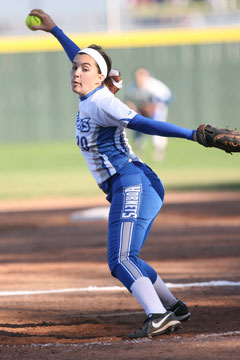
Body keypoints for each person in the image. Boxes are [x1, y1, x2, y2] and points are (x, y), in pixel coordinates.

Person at [28, 9, 194, 339]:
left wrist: (192, 134)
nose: (75, 71)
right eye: (74, 67)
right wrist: (55, 30)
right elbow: (84, 58)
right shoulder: (92, 95)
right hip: (135, 184)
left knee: (120, 260)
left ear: (99, 76)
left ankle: (158, 315)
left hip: (131, 182)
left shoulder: (103, 101)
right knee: (130, 257)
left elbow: (145, 123)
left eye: (83, 68)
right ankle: (174, 306)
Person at [125, 67, 172, 160]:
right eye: (137, 77)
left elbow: (168, 98)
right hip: (141, 108)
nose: (139, 79)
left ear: (147, 77)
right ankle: (138, 150)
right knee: (138, 127)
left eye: (142, 77)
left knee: (157, 127)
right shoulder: (132, 87)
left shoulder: (154, 85)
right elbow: (127, 100)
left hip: (157, 108)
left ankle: (159, 150)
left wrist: (152, 107)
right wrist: (134, 108)